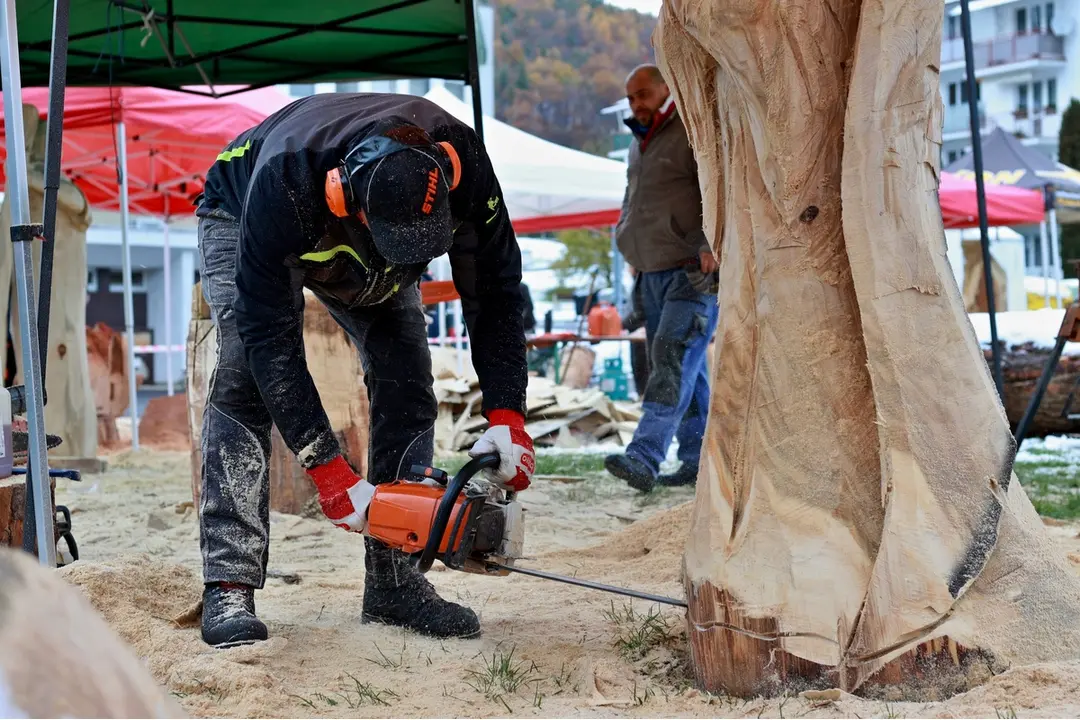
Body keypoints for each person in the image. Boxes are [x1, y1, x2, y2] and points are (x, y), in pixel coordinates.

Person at [194, 92, 535, 648]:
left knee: (407, 375)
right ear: (344, 197)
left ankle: (395, 582)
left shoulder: (466, 165)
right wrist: (331, 475)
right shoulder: (287, 180)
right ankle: (228, 583)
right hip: (246, 211)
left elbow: (495, 292)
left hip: (360, 231)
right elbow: (269, 340)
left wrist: (507, 415)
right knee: (244, 377)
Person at [604, 64, 719, 493]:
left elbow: (716, 186)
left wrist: (710, 240)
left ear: (667, 88)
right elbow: (632, 195)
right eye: (631, 97)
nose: (637, 103)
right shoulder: (639, 143)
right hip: (650, 270)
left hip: (692, 269)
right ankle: (695, 461)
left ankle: (645, 457)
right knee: (687, 367)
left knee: (671, 358)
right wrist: (627, 238)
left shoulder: (691, 131)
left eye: (644, 94)